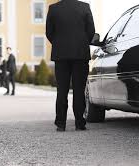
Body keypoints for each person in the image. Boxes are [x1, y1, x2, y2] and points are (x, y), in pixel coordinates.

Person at [46, 0, 95, 132]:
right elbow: (91, 31)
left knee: (62, 89)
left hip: (60, 54)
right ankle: (80, 123)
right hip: (80, 53)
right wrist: (82, 42)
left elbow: (49, 33)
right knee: (79, 89)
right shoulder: (85, 7)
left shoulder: (53, 8)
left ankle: (61, 123)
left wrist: (58, 43)